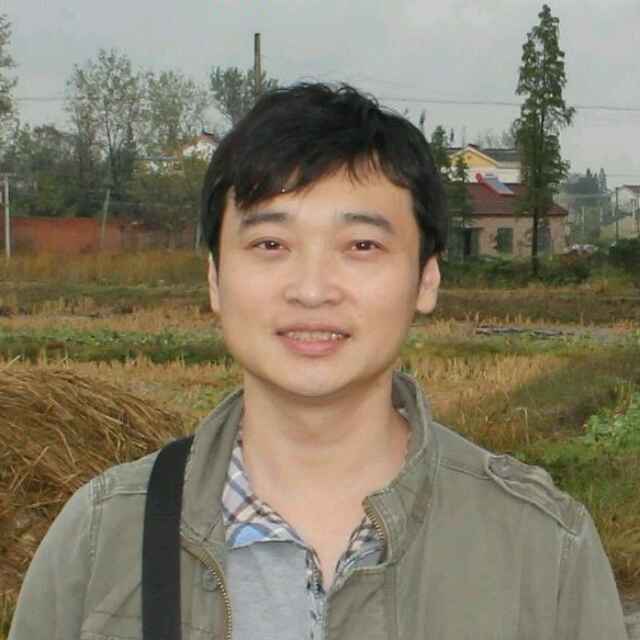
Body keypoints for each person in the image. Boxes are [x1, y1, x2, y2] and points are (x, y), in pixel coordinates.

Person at [9, 83, 628, 640]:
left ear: (426, 279)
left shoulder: (543, 549)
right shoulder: (103, 539)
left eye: (361, 245)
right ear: (216, 279)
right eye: (270, 243)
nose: (311, 290)